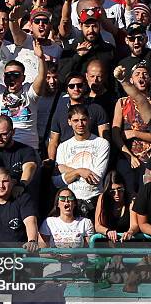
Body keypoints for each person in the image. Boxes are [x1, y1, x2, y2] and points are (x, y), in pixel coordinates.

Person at [53, 104, 110, 218]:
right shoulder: (63, 147)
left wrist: (67, 170)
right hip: (70, 202)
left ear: (89, 120)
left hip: (95, 199)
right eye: (76, 120)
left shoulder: (101, 143)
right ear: (69, 122)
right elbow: (57, 182)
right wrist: (79, 171)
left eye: (83, 119)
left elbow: (96, 178)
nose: (80, 124)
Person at [112, 62, 151, 196]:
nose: (142, 77)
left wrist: (135, 133)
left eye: (145, 74)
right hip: (126, 157)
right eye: (137, 74)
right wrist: (128, 156)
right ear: (131, 80)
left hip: (148, 160)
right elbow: (115, 133)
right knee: (129, 197)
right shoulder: (122, 102)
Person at [39, 187, 94, 276]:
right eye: (62, 199)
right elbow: (42, 252)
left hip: (79, 271)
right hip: (54, 271)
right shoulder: (49, 222)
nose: (67, 201)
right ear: (57, 203)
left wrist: (74, 254)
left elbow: (90, 251)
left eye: (70, 198)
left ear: (75, 203)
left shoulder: (85, 222)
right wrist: (57, 255)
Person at [0, 115, 37, 198]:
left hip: (17, 196)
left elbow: (30, 167)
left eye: (4, 134)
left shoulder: (25, 150)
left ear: (13, 132)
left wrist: (21, 185)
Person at [95, 170, 139, 241]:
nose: (117, 194)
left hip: (128, 244)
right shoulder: (102, 198)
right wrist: (108, 231)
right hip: (109, 245)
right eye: (112, 191)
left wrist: (130, 232)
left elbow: (134, 225)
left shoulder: (131, 199)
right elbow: (97, 226)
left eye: (120, 189)